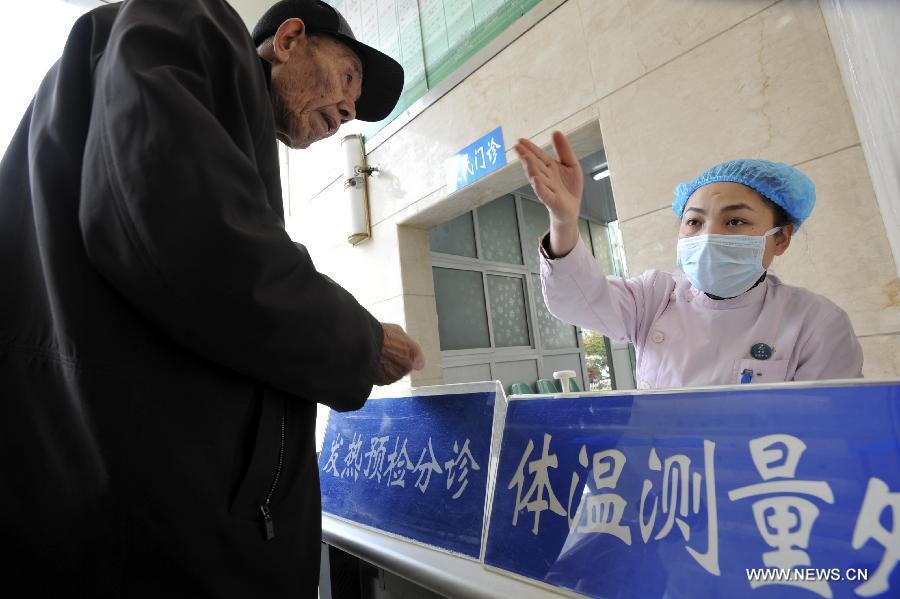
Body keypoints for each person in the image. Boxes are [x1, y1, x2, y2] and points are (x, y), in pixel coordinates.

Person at [0, 0, 423, 596]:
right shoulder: (191, 22)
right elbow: (183, 231)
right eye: (349, 77)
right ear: (290, 39)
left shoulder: (213, 103)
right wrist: (361, 343)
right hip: (145, 536)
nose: (350, 111)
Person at [514, 132, 863, 389]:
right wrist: (563, 221)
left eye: (735, 221)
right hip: (665, 475)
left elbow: (830, 432)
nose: (708, 236)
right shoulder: (655, 298)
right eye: (694, 222)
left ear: (781, 238)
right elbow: (579, 300)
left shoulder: (815, 322)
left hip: (762, 484)